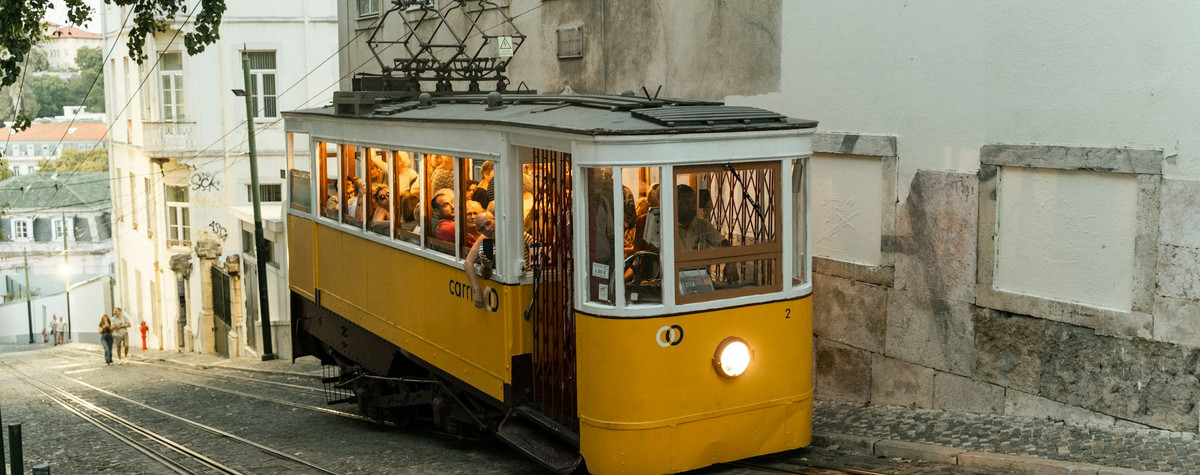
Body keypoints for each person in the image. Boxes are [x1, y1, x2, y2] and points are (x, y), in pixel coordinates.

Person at [676, 184, 727, 251]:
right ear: (675, 205)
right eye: (686, 203)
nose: (691, 207)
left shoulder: (703, 225)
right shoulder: (668, 229)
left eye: (694, 202)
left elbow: (721, 242)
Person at [463, 212, 496, 308]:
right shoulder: (486, 239)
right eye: (482, 228)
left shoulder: (518, 233)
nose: (488, 229)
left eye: (488, 223)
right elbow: (468, 263)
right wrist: (477, 290)